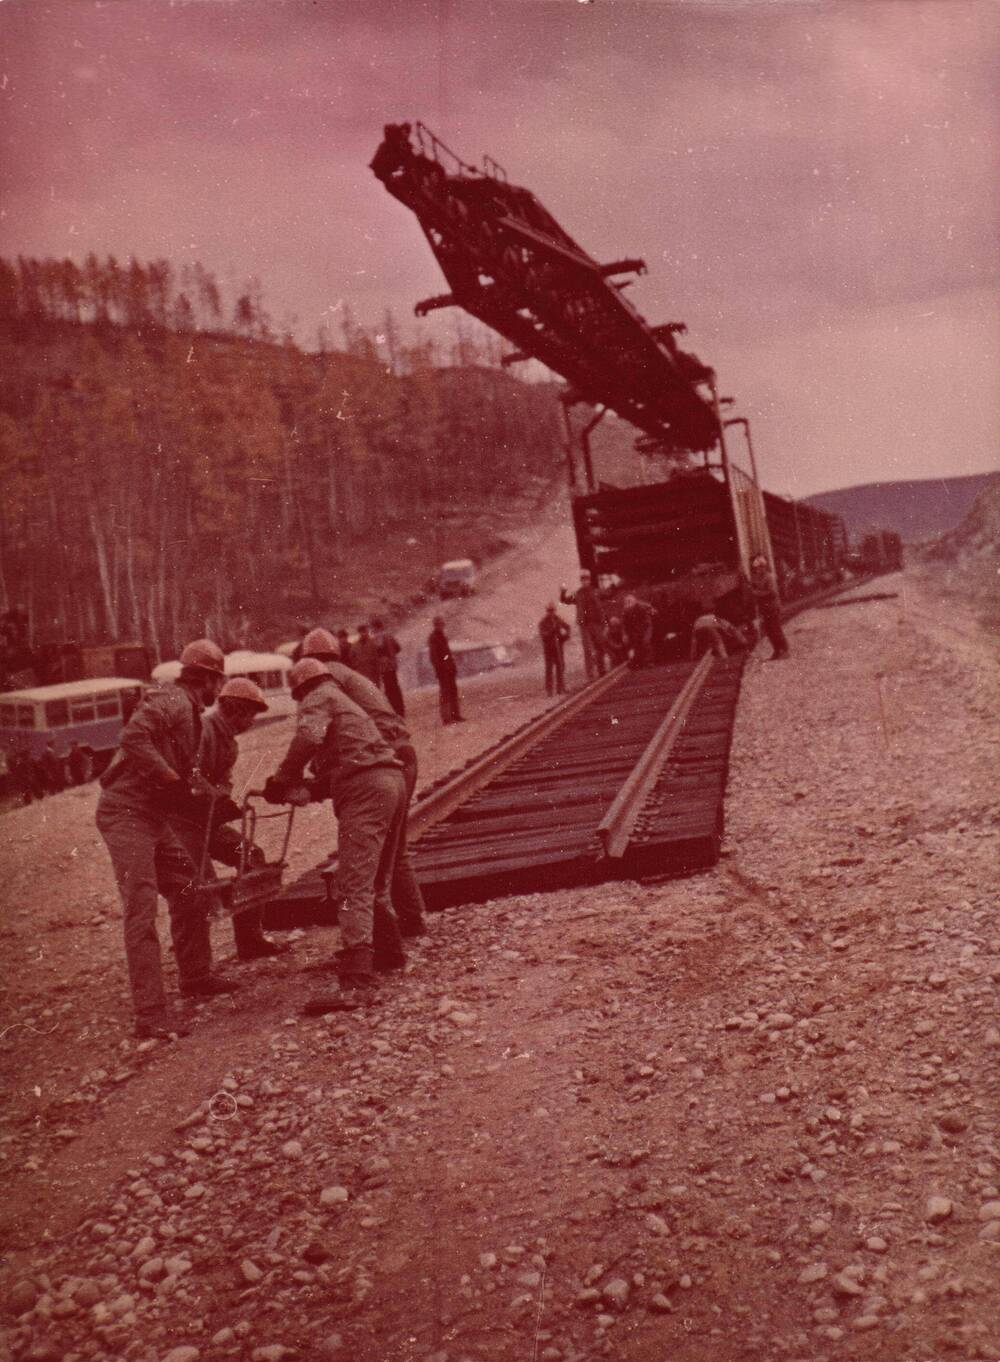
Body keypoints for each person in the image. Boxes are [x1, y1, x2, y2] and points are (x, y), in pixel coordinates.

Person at [95, 639, 236, 1040]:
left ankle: (196, 976)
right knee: (141, 909)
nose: (218, 690)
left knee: (191, 890)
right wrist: (171, 780)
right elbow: (133, 739)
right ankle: (150, 1013)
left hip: (152, 815)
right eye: (217, 680)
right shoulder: (173, 700)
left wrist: (212, 797)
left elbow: (181, 768)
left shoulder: (189, 712)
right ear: (207, 679)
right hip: (126, 812)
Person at [264, 657, 408, 1011]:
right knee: (373, 880)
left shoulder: (318, 697)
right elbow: (343, 766)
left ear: (300, 689)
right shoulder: (346, 705)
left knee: (350, 884)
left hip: (367, 788)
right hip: (391, 782)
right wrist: (307, 790)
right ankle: (389, 953)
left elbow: (306, 740)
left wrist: (283, 779)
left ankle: (357, 977)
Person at [300, 627, 426, 938]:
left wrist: (302, 778)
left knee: (374, 857)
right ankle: (412, 920)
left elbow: (321, 734)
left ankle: (382, 938)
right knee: (396, 850)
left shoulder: (325, 681)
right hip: (402, 755)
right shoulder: (351, 675)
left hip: (381, 759)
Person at [196, 677, 288, 962]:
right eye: (250, 715)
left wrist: (225, 801)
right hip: (182, 823)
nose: (251, 722)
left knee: (251, 855)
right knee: (198, 886)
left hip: (206, 821)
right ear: (235, 710)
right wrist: (214, 798)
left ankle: (250, 941)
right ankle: (198, 968)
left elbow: (224, 781)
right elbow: (191, 775)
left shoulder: (229, 744)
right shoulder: (203, 731)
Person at [560, 569, 607, 679]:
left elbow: (607, 594)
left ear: (589, 580)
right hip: (585, 625)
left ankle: (602, 669)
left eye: (586, 579)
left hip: (596, 623)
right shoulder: (578, 594)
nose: (585, 581)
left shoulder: (596, 591)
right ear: (581, 581)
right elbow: (565, 600)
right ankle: (590, 674)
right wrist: (563, 592)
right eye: (583, 579)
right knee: (588, 649)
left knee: (600, 646)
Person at [750, 554, 790, 660]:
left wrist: (756, 593)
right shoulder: (758, 578)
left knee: (775, 628)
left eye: (759, 567)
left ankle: (784, 650)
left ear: (764, 567)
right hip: (765, 608)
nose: (757, 570)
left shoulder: (770, 577)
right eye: (756, 568)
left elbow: (772, 592)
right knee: (769, 630)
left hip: (773, 607)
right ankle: (777, 650)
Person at [428, 616, 462, 724]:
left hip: (449, 668)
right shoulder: (433, 638)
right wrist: (439, 669)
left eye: (442, 624)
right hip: (443, 669)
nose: (442, 627)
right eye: (440, 624)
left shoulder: (442, 637)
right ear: (436, 625)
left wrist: (453, 666)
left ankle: (455, 715)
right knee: (445, 693)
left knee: (453, 691)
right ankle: (446, 718)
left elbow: (448, 653)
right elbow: (434, 656)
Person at [371, 616, 405, 717]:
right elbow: (398, 647)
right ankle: (400, 709)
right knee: (395, 687)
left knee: (389, 688)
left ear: (375, 626)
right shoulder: (389, 635)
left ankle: (395, 710)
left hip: (385, 666)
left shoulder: (378, 637)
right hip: (392, 664)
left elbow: (377, 650)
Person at [538, 602, 571, 696]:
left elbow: (567, 627)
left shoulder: (557, 619)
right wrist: (552, 631)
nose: (551, 612)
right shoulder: (543, 622)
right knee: (549, 669)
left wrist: (565, 636)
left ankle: (560, 688)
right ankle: (549, 690)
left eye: (552, 610)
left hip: (558, 647)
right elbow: (543, 635)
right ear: (546, 611)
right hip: (548, 649)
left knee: (560, 667)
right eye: (549, 611)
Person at [622, 594, 657, 668]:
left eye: (630, 602)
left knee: (645, 642)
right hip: (635, 629)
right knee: (636, 645)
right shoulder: (625, 611)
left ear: (634, 602)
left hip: (646, 627)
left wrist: (652, 610)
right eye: (627, 603)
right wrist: (625, 634)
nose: (628, 606)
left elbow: (648, 607)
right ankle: (640, 662)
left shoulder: (640, 606)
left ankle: (649, 662)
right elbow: (624, 624)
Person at [351, 623, 382, 687]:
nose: (364, 634)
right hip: (361, 672)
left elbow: (378, 658)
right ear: (359, 633)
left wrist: (378, 670)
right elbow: (352, 658)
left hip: (373, 672)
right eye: (361, 632)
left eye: (365, 631)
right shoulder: (354, 646)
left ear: (367, 632)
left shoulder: (373, 643)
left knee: (375, 689)